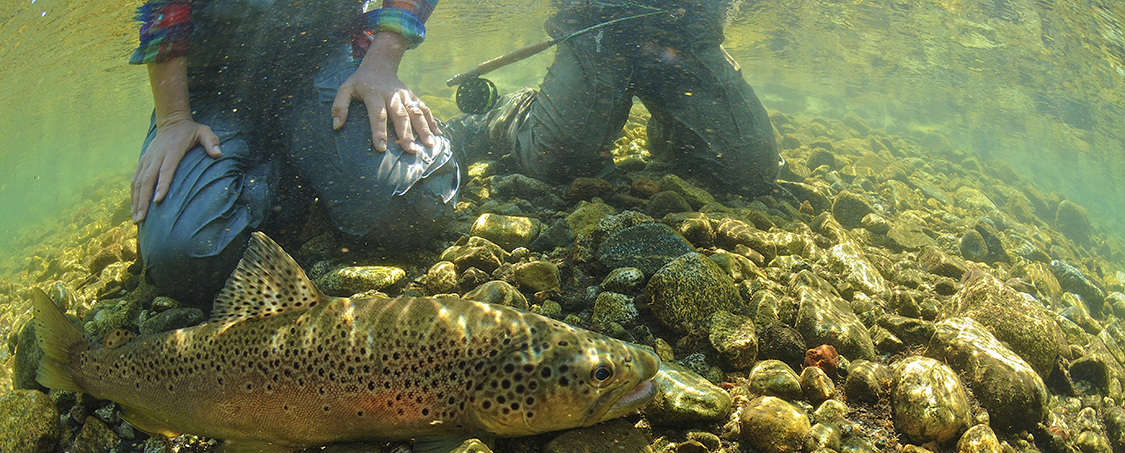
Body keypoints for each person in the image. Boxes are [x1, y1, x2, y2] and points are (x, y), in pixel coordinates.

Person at [128, 0, 459, 306]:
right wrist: (173, 118)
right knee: (185, 260)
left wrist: (381, 62)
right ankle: (299, 176)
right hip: (211, 84)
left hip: (322, 61)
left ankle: (458, 133)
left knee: (416, 205)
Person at [449, 0, 781, 197]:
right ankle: (507, 115)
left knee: (753, 169)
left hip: (688, 31)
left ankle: (675, 134)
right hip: (595, 24)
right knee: (564, 163)